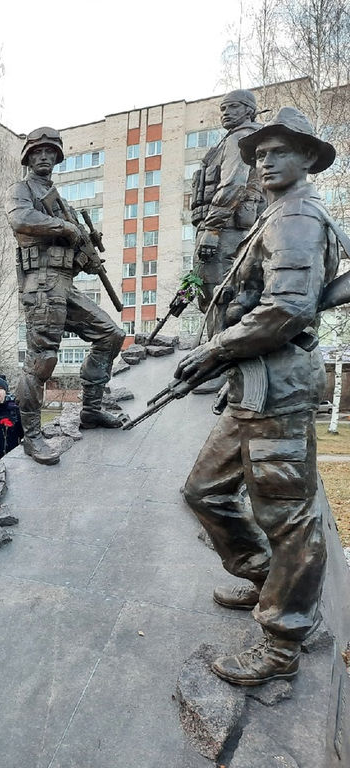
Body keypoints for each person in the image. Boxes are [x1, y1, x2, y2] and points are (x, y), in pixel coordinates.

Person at [178, 107, 339, 686]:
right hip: (254, 382)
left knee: (287, 516)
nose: (265, 161)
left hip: (278, 387)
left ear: (307, 158)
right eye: (260, 154)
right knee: (205, 491)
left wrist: (215, 348)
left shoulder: (295, 217)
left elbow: (288, 308)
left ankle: (283, 641)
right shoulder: (276, 212)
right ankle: (267, 578)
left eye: (279, 152)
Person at [8, 126, 126, 465]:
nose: (44, 157)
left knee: (111, 334)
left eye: (50, 152)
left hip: (64, 283)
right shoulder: (22, 190)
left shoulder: (62, 203)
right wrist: (66, 228)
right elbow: (21, 219)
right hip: (42, 285)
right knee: (42, 359)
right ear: (28, 157)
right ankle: (32, 436)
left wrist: (86, 257)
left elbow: (74, 251)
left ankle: (91, 410)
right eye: (38, 152)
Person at [190, 89, 265, 319]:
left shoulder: (239, 139)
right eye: (223, 108)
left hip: (226, 229)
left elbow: (233, 185)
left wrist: (212, 229)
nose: (226, 112)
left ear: (249, 110)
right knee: (216, 294)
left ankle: (221, 342)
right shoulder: (236, 139)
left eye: (233, 106)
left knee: (218, 295)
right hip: (229, 228)